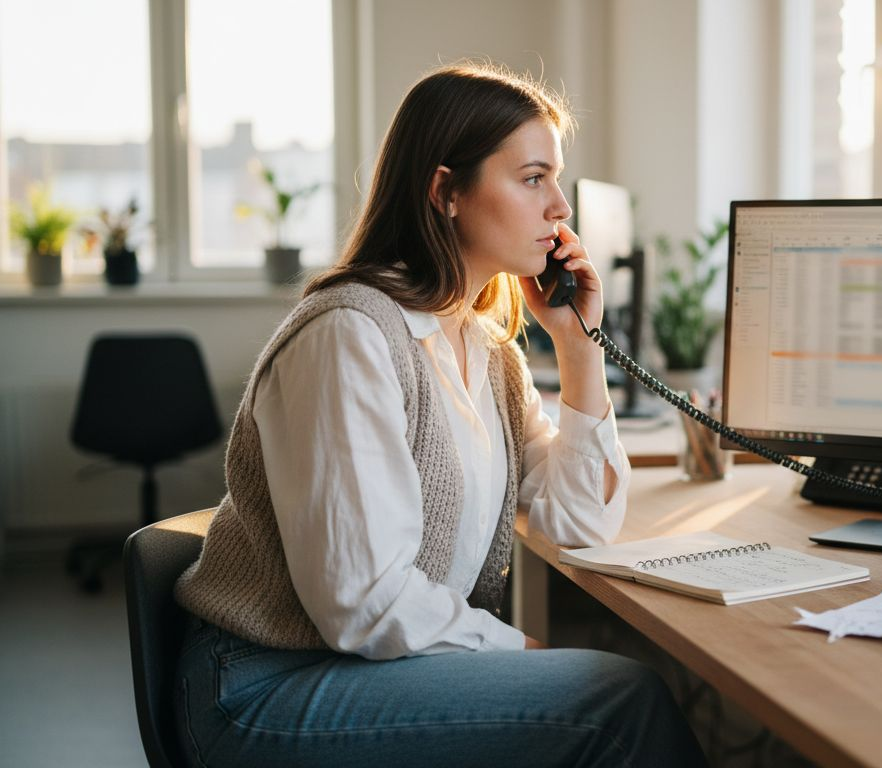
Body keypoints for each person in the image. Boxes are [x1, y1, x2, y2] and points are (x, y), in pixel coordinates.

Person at [171, 62, 707, 767]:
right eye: (532, 178)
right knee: (615, 701)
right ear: (446, 190)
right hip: (263, 688)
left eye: (557, 179)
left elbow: (580, 523)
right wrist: (519, 650)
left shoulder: (487, 352)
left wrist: (578, 349)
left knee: (608, 690)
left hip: (372, 667)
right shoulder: (348, 336)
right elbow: (361, 597)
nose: (561, 209)